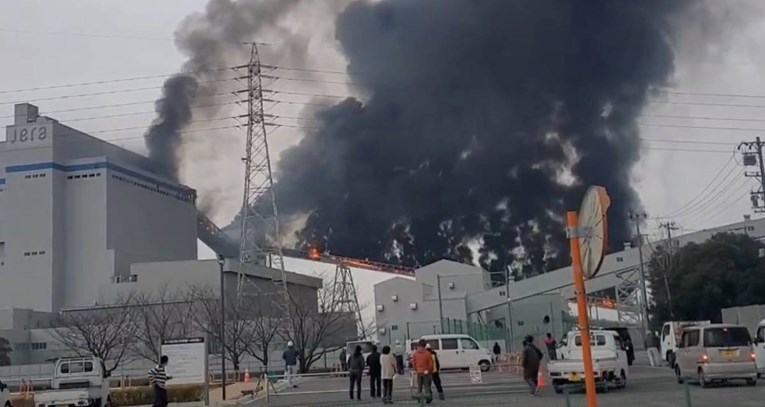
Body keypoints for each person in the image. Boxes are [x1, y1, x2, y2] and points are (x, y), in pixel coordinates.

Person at [411, 339, 434, 403]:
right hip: (426, 372)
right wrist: (430, 370)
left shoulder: (415, 353)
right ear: (425, 345)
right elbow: (431, 364)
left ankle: (419, 399)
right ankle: (428, 399)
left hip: (419, 371)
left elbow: (413, 362)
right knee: (427, 386)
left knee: (419, 386)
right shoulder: (427, 353)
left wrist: (415, 369)